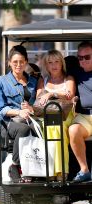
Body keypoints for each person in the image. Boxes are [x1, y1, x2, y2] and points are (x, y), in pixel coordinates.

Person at [0, 45, 38, 182]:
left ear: (26, 62)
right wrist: (19, 111)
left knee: (39, 128)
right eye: (15, 62)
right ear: (9, 63)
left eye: (21, 62)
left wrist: (31, 108)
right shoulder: (2, 81)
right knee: (24, 129)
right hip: (9, 122)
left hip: (29, 119)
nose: (18, 65)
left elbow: (37, 104)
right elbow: (1, 110)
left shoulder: (33, 81)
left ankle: (37, 167)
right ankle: (15, 166)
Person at [36, 49, 76, 181]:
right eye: (50, 62)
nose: (54, 65)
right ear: (46, 65)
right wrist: (46, 94)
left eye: (57, 61)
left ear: (62, 63)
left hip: (65, 113)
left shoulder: (68, 78)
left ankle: (61, 171)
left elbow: (69, 94)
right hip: (48, 114)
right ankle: (51, 169)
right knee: (49, 128)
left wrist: (52, 94)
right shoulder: (44, 80)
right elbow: (39, 98)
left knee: (59, 127)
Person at [68, 41, 92, 182]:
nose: (83, 61)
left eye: (87, 57)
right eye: (80, 58)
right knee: (73, 130)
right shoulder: (74, 72)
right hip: (84, 116)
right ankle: (84, 170)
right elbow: (55, 75)